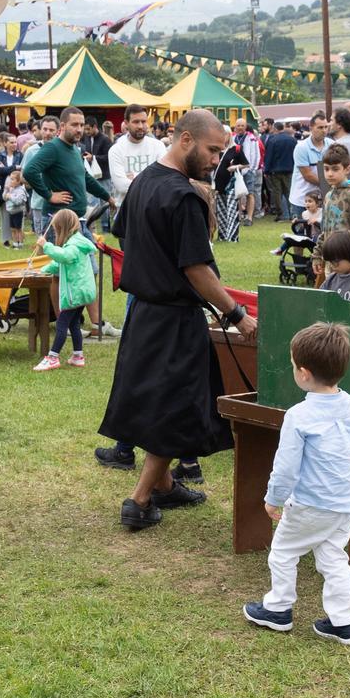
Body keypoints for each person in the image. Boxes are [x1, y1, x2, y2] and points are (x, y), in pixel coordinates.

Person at [99, 110, 258, 532]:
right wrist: (237, 314)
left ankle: (166, 486)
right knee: (174, 406)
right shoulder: (183, 196)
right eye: (211, 150)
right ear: (185, 139)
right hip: (174, 317)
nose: (215, 161)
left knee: (154, 400)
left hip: (144, 313)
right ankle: (139, 499)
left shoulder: (142, 184)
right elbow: (197, 270)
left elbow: (124, 233)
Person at [240, 322, 350, 645]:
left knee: (283, 552)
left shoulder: (299, 416)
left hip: (311, 504)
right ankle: (344, 623)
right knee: (332, 555)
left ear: (302, 373)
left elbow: (285, 468)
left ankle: (278, 609)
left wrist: (274, 499)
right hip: (344, 504)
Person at [23, 109, 110, 238]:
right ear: (63, 126)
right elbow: (29, 171)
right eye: (74, 125)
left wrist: (107, 197)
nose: (79, 129)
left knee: (89, 257)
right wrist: (49, 195)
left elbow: (85, 177)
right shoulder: (53, 147)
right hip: (60, 222)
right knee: (65, 258)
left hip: (79, 220)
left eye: (81, 125)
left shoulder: (75, 148)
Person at [32, 207, 97, 371]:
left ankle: (53, 357)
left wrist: (46, 246)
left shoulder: (74, 245)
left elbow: (65, 256)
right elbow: (60, 263)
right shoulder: (75, 242)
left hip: (75, 292)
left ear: (62, 228)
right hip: (81, 292)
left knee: (62, 324)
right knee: (74, 324)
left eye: (56, 228)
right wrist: (43, 270)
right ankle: (78, 356)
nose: (54, 231)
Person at [108, 108, 165, 222]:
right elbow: (122, 186)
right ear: (126, 123)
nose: (140, 126)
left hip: (155, 213)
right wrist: (152, 180)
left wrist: (134, 177)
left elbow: (165, 180)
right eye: (136, 122)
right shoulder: (116, 150)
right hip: (127, 215)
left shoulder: (158, 146)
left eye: (144, 121)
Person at [318, 145, 350, 257]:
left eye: (335, 169)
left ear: (347, 169)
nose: (330, 173)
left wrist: (348, 252)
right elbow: (326, 230)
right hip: (331, 259)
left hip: (348, 260)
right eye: (326, 169)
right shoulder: (329, 195)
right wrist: (318, 255)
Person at [289, 113, 330, 221]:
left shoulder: (332, 145)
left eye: (326, 127)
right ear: (311, 128)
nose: (324, 130)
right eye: (320, 127)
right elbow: (308, 175)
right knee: (303, 235)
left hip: (323, 198)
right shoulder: (302, 147)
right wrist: (330, 184)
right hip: (303, 200)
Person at [263, 121, 297, 219]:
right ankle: (292, 213)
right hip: (289, 169)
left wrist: (266, 170)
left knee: (277, 192)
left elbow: (269, 156)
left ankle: (280, 214)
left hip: (275, 170)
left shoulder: (272, 140)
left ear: (276, 129)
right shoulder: (292, 140)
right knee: (289, 192)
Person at [2, 170, 29, 248]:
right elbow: (4, 198)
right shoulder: (11, 189)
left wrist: (10, 196)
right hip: (11, 212)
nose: (10, 181)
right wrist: (6, 190)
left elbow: (18, 201)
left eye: (13, 179)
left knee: (18, 229)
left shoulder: (21, 190)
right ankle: (15, 243)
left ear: (18, 181)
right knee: (12, 228)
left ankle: (20, 243)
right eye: (10, 179)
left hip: (18, 212)